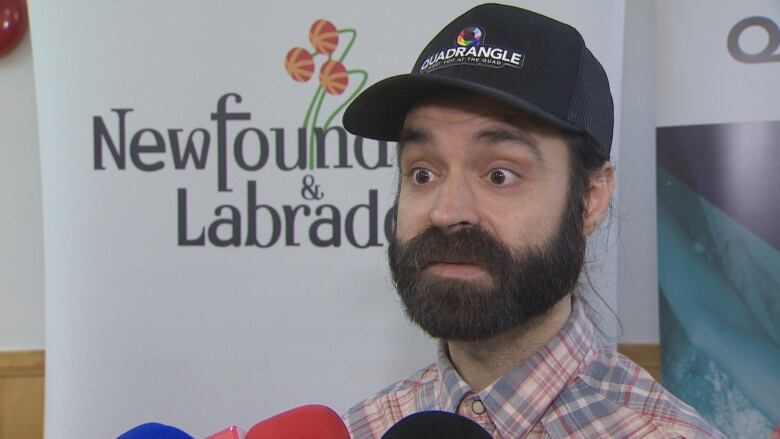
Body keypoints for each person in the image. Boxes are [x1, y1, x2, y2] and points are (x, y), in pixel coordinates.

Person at [341, 4, 724, 438]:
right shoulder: (360, 429)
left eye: (499, 175)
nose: (446, 212)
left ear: (591, 199)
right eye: (422, 173)